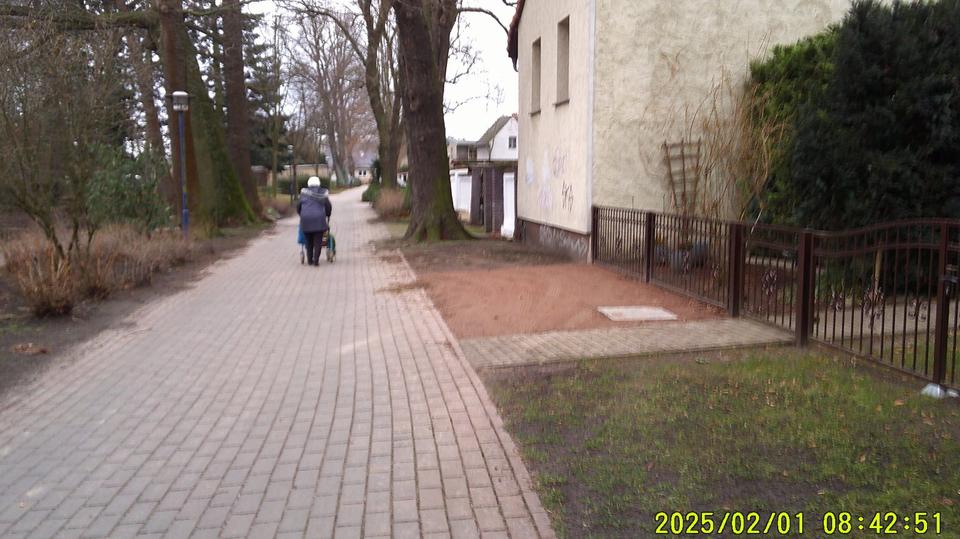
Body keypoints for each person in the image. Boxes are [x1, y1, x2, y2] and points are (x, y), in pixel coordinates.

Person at [297, 176, 332, 265]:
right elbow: (328, 206)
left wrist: (302, 214)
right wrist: (328, 215)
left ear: (308, 184)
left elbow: (298, 207)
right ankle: (316, 260)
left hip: (306, 220)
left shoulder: (303, 193)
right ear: (319, 183)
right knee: (318, 241)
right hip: (319, 220)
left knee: (308, 241)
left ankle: (309, 260)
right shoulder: (323, 193)